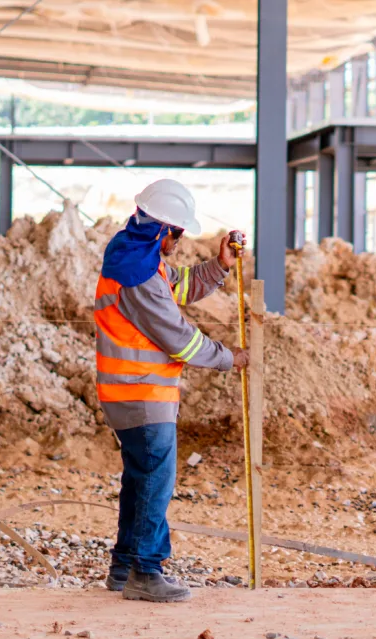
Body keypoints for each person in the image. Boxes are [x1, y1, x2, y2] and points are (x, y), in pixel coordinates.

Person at [93, 178, 249, 602]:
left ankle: (124, 568)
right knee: (155, 481)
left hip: (131, 393)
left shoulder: (137, 259)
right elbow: (178, 337)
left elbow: (179, 287)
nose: (179, 242)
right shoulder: (138, 276)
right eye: (177, 233)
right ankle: (145, 571)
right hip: (140, 393)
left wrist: (219, 266)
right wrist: (227, 358)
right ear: (161, 230)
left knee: (140, 480)